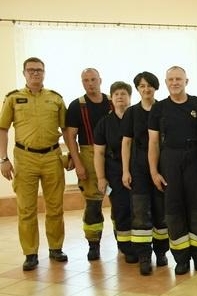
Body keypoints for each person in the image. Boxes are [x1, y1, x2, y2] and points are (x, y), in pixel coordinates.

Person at [0, 57, 68, 271]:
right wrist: (3, 159)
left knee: (55, 207)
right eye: (31, 70)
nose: (35, 73)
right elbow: (2, 129)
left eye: (39, 70)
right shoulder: (13, 98)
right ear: (24, 73)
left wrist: (71, 156)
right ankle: (30, 253)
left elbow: (67, 130)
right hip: (25, 158)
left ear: (44, 73)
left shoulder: (55, 99)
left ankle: (56, 248)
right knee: (26, 209)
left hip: (52, 157)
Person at [148, 66, 197, 275]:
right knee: (174, 211)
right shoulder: (159, 109)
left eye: (178, 79)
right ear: (166, 83)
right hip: (170, 161)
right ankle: (181, 259)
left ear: (186, 81)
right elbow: (153, 142)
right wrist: (154, 172)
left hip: (195, 160)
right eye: (171, 79)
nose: (175, 82)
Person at [122, 71, 169, 275]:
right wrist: (125, 170)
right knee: (140, 212)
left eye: (149, 85)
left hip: (162, 167)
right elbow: (126, 143)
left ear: (156, 87)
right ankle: (144, 256)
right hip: (139, 168)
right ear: (137, 89)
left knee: (161, 212)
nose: (146, 89)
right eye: (142, 86)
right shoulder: (131, 113)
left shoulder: (164, 109)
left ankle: (161, 252)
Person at [63, 67, 112, 261]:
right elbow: (70, 137)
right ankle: (93, 244)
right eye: (86, 80)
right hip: (88, 155)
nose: (90, 83)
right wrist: (78, 164)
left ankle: (124, 243)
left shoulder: (113, 101)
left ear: (100, 80)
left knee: (121, 203)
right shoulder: (77, 106)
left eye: (93, 79)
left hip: (114, 155)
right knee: (93, 204)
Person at [93, 81, 138, 265]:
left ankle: (142, 246)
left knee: (139, 209)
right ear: (111, 98)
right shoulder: (104, 123)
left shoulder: (137, 118)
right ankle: (126, 248)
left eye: (124, 94)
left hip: (138, 169)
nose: (120, 97)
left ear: (130, 97)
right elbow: (99, 152)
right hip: (114, 171)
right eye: (116, 94)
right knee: (121, 209)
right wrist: (101, 178)